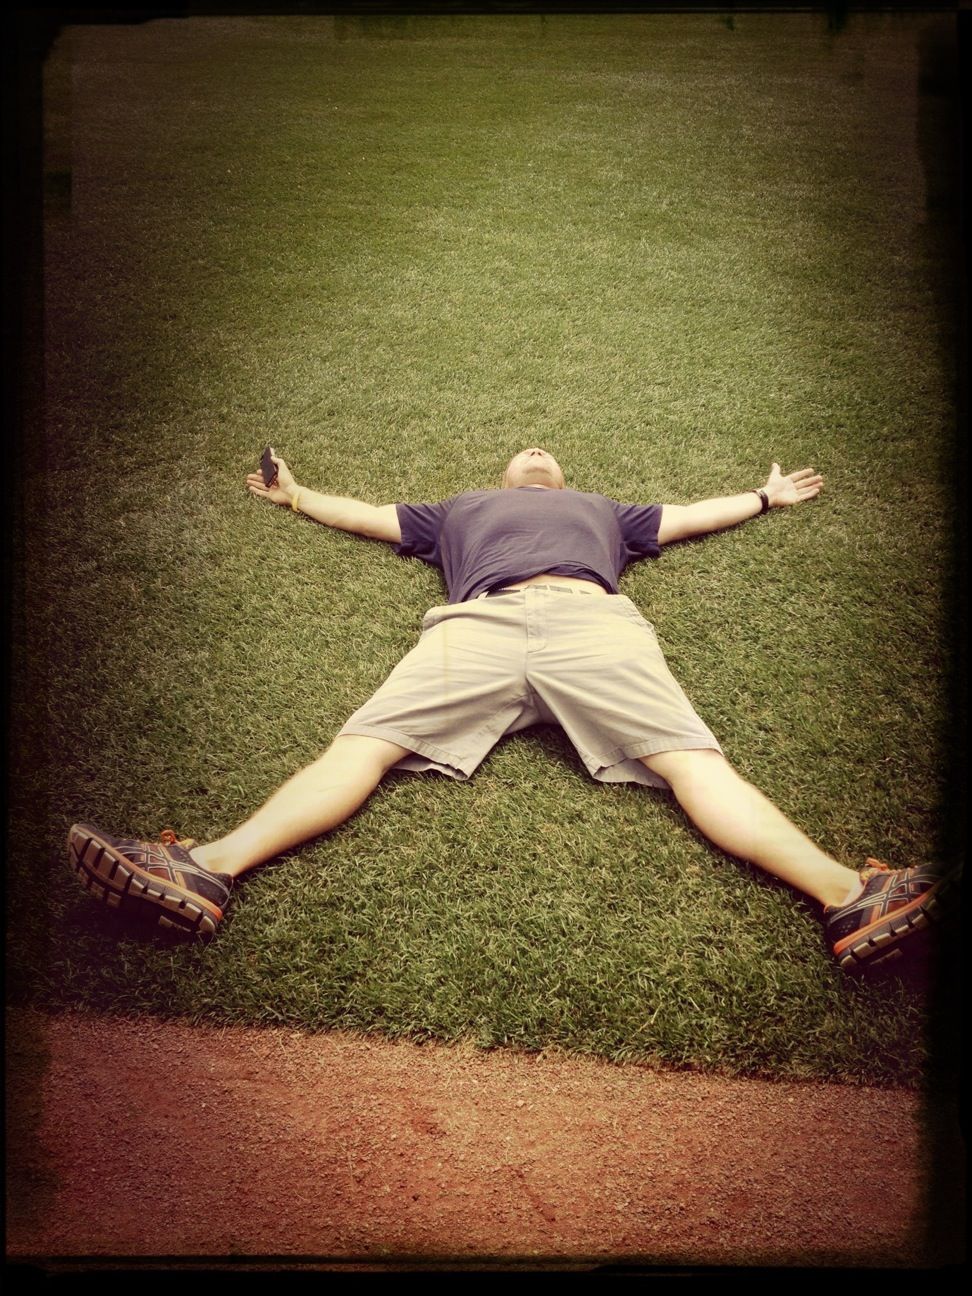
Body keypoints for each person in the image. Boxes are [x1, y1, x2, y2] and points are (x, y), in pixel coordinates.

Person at [68, 447, 950, 972]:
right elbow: (371, 515)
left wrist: (763, 497)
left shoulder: (605, 509)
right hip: (475, 626)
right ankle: (205, 870)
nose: (535, 451)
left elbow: (685, 517)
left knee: (694, 762)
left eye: (547, 454)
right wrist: (298, 497)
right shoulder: (454, 510)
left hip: (591, 620)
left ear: (563, 477)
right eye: (523, 453)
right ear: (499, 476)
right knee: (360, 748)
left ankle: (851, 898)